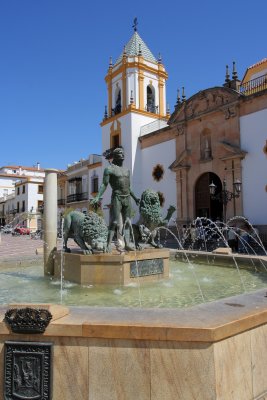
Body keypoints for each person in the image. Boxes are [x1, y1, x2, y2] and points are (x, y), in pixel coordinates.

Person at [90, 147, 140, 252]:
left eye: (123, 153)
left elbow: (128, 187)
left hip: (127, 198)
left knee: (127, 222)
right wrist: (98, 196)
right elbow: (104, 184)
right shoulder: (109, 169)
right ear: (115, 156)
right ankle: (108, 244)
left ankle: (127, 244)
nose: (122, 155)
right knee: (115, 222)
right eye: (120, 153)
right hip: (117, 197)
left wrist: (135, 198)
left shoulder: (127, 170)